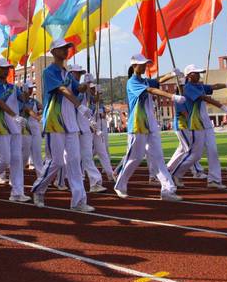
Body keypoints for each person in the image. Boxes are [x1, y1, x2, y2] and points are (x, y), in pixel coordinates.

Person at [31, 38, 94, 212]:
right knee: (56, 162)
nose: (66, 51)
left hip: (70, 123)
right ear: (53, 52)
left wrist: (85, 84)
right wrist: (79, 106)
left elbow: (75, 88)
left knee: (74, 161)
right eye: (62, 48)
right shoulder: (48, 71)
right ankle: (39, 189)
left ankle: (79, 201)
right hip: (54, 122)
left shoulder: (67, 73)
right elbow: (62, 90)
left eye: (67, 48)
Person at [113, 54, 183, 202]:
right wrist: (172, 97)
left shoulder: (144, 80)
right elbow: (151, 90)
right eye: (142, 64)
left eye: (146, 64)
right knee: (135, 158)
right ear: (134, 66)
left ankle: (168, 190)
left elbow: (157, 82)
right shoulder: (132, 82)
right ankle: (120, 185)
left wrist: (171, 74)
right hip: (137, 124)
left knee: (158, 157)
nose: (145, 66)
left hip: (150, 124)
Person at [169, 64, 227, 189]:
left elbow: (213, 87)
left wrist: (226, 84)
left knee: (213, 151)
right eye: (196, 73)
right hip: (196, 124)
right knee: (195, 154)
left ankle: (214, 180)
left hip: (207, 124)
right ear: (188, 76)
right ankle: (176, 173)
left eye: (199, 73)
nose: (199, 75)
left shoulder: (200, 86)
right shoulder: (187, 88)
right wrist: (223, 107)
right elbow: (204, 98)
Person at [0, 58, 30, 202]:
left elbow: (23, 99)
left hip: (15, 129)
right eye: (3, 68)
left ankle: (17, 192)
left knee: (17, 160)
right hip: (2, 127)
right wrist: (14, 116)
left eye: (7, 68)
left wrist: (27, 90)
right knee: (4, 160)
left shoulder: (13, 87)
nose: (5, 70)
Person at [67, 65, 106, 193]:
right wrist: (87, 85)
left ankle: (94, 182)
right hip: (72, 126)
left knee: (87, 155)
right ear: (71, 73)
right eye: (76, 73)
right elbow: (79, 93)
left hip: (84, 126)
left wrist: (97, 93)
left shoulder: (84, 89)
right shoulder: (71, 89)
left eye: (80, 73)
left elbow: (94, 100)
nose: (78, 75)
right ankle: (62, 178)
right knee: (71, 157)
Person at [21, 80, 44, 176]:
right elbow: (27, 110)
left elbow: (42, 107)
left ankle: (41, 176)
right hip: (24, 129)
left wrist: (40, 112)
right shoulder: (20, 101)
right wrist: (37, 117)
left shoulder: (33, 101)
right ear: (24, 89)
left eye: (31, 89)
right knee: (24, 154)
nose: (31, 91)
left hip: (35, 128)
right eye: (29, 89)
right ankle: (17, 173)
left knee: (37, 152)